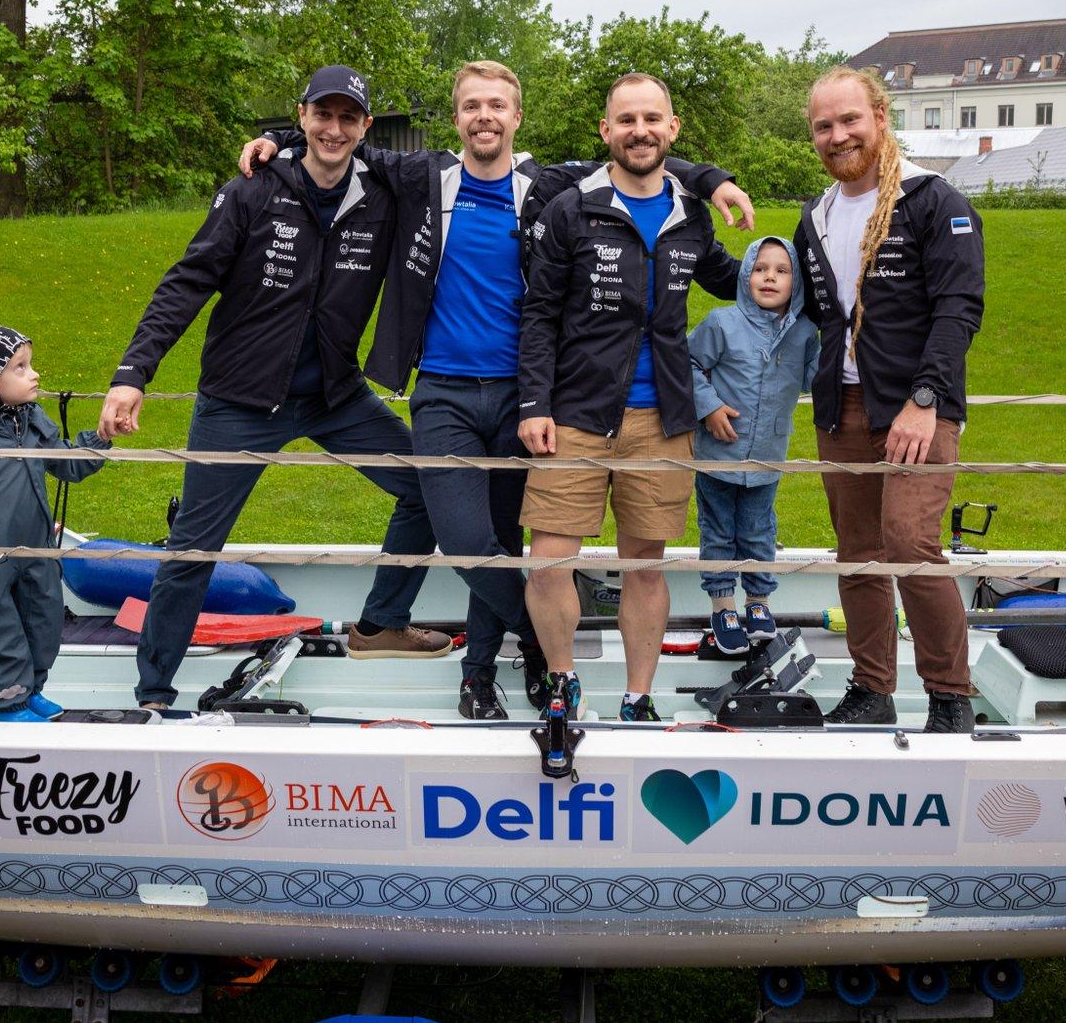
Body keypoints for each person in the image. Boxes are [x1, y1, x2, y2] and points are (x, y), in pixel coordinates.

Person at [236, 61, 753, 719]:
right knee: (467, 542)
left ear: (516, 117)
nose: (485, 116)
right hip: (443, 389)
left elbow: (640, 160)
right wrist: (279, 139)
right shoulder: (424, 176)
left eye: (497, 106)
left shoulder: (550, 184)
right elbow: (339, 140)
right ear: (456, 118)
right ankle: (543, 643)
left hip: (525, 395)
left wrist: (713, 179)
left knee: (508, 545)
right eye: (472, 106)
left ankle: (479, 675)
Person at [99, 66, 445, 714]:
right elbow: (187, 282)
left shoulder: (382, 196)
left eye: (348, 118)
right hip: (239, 402)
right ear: (302, 114)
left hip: (336, 398)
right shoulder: (252, 190)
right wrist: (132, 374)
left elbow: (441, 163)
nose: (334, 129)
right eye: (322, 115)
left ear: (367, 126)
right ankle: (153, 696)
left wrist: (284, 137)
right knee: (192, 550)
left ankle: (380, 624)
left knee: (429, 487)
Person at [518, 72, 742, 722]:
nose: (639, 131)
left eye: (651, 119)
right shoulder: (570, 208)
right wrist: (534, 404)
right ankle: (562, 681)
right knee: (549, 563)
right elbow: (539, 314)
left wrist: (795, 267)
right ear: (606, 130)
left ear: (672, 128)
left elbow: (731, 278)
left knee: (645, 566)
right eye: (626, 120)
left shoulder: (689, 213)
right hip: (575, 415)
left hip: (663, 419)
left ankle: (637, 698)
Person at [791, 65, 985, 732]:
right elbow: (809, 310)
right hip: (840, 408)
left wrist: (925, 400)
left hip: (916, 410)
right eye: (824, 126)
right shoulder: (815, 216)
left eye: (850, 120)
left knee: (908, 544)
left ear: (879, 116)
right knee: (858, 554)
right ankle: (872, 690)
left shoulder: (933, 201)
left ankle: (951, 699)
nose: (838, 136)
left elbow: (959, 308)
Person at [0, 321, 111, 723]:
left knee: (44, 624)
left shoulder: (32, 422)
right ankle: (6, 705)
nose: (34, 374)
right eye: (20, 367)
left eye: (30, 364)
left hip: (37, 551)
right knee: (0, 632)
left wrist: (99, 439)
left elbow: (67, 465)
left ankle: (30, 691)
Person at [687, 237, 821, 654]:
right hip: (718, 455)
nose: (769, 278)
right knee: (718, 531)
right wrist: (709, 407)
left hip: (767, 456)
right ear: (746, 275)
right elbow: (686, 363)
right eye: (760, 269)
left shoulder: (804, 333)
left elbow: (817, 378)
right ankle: (723, 606)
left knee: (760, 530)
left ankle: (758, 601)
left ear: (796, 282)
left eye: (781, 271)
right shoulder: (721, 323)